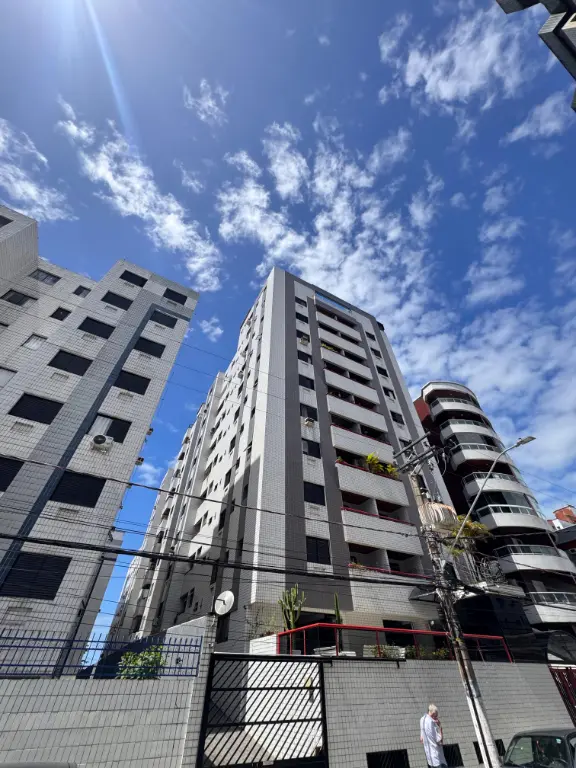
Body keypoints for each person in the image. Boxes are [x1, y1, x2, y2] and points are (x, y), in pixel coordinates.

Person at [420, 704, 446, 768]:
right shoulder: (431, 722)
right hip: (437, 757)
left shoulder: (422, 719)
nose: (437, 718)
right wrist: (440, 727)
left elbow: (421, 739)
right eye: (436, 716)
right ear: (433, 713)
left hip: (429, 758)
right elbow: (440, 741)